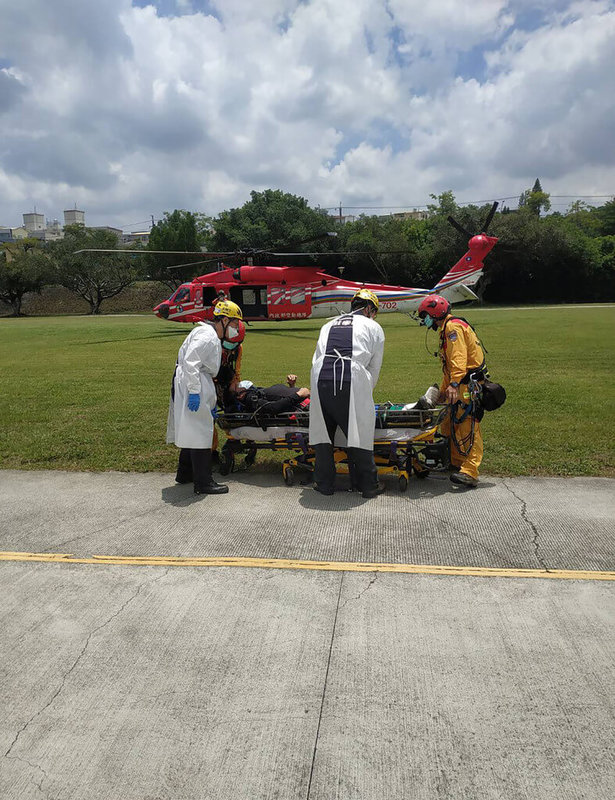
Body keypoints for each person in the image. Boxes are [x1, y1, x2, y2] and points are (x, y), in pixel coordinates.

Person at [309, 288, 385, 498]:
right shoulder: (373, 326)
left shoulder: (328, 324)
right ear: (369, 308)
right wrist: (363, 396)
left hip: (320, 375)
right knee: (359, 432)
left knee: (323, 434)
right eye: (374, 311)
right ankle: (368, 485)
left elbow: (317, 357)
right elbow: (374, 368)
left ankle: (323, 484)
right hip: (351, 374)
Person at [166, 300, 244, 494]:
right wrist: (194, 392)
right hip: (195, 382)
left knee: (192, 428)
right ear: (224, 320)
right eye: (234, 324)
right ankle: (203, 482)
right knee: (201, 432)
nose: (236, 329)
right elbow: (191, 362)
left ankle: (184, 473)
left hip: (198, 381)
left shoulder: (207, 334)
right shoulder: (208, 337)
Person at [417, 294, 486, 488]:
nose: (425, 320)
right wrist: (445, 389)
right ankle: (456, 463)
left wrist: (454, 385)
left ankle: (471, 471)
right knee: (448, 423)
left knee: (467, 425)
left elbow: (459, 359)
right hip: (459, 382)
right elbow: (448, 366)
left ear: (435, 312)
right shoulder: (446, 328)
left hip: (466, 385)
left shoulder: (453, 328)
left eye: (426, 315)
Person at [233, 374, 310, 415]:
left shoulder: (258, 393)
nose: (239, 383)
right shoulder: (252, 400)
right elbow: (274, 407)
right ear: (240, 395)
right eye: (238, 386)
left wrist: (292, 386)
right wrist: (298, 394)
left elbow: (278, 397)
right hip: (307, 405)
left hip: (307, 400)